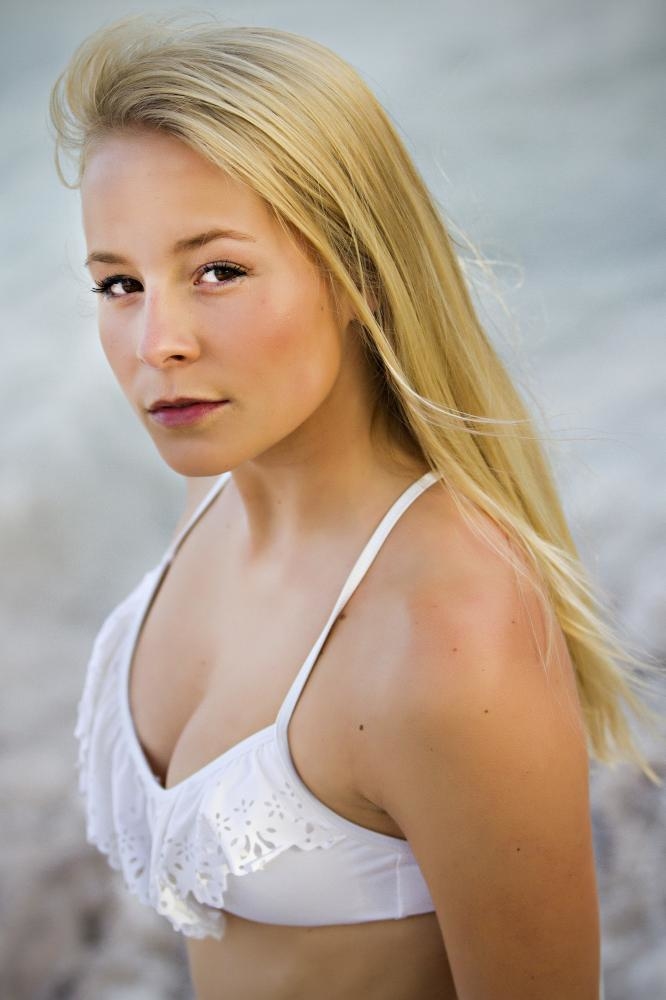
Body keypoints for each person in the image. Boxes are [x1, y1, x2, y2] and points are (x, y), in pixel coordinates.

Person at [49, 14, 659, 999]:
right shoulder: (218, 483)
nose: (157, 342)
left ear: (360, 277)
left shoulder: (449, 634)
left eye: (217, 271)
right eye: (120, 283)